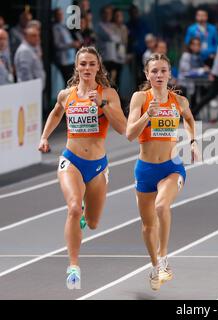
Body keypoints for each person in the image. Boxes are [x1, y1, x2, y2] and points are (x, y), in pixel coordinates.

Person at [38, 46, 127, 289]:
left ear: (98, 67)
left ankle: (85, 214)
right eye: (83, 64)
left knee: (93, 222)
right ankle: (73, 266)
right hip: (71, 161)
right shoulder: (66, 95)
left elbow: (124, 128)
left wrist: (104, 104)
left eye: (91, 64)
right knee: (74, 208)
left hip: (98, 166)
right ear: (77, 68)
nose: (87, 68)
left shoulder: (108, 93)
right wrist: (44, 137)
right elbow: (56, 114)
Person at [126, 53, 200, 291]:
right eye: (154, 71)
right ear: (147, 75)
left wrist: (193, 141)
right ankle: (155, 265)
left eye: (163, 70)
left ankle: (164, 257)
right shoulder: (140, 98)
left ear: (170, 73)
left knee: (161, 206)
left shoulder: (179, 101)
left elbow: (189, 120)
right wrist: (149, 114)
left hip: (172, 166)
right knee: (148, 226)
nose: (159, 75)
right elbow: (129, 134)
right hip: (145, 168)